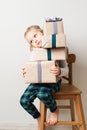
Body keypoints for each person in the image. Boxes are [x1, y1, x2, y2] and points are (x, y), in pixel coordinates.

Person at [20, 25, 68, 130]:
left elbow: (66, 70)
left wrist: (59, 71)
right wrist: (26, 72)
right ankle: (38, 117)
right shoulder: (34, 54)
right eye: (31, 41)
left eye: (36, 35)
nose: (35, 41)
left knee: (42, 94)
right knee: (24, 100)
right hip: (37, 82)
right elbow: (31, 69)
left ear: (43, 33)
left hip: (53, 82)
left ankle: (54, 110)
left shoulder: (56, 49)